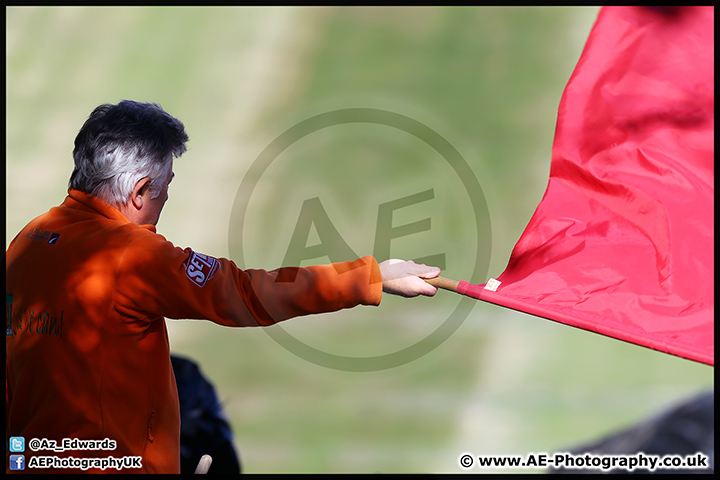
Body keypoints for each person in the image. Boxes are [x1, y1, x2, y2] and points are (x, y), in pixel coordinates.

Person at [5, 100, 441, 474]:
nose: (167, 200)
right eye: (165, 187)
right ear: (140, 191)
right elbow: (245, 295)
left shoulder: (28, 240)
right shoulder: (134, 256)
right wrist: (370, 276)